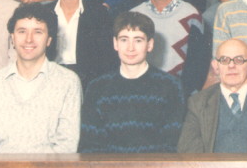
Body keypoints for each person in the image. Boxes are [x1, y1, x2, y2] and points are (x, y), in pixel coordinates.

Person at [0, 3, 82, 153]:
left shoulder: (68, 82)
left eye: (38, 32)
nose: (29, 39)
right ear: (12, 38)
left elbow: (67, 145)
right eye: (22, 31)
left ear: (49, 40)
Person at [79, 12, 186, 153]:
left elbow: (171, 144)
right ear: (115, 43)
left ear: (150, 45)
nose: (130, 48)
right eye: (124, 40)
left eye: (138, 40)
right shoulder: (97, 87)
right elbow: (90, 145)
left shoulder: (170, 86)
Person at [178, 39, 247, 153]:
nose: (231, 65)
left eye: (239, 60)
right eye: (224, 60)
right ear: (216, 66)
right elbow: (188, 151)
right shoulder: (198, 103)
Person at [132, 0, 210, 97]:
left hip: (180, 96)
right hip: (141, 96)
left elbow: (198, 67)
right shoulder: (134, 17)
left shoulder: (192, 16)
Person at [48, 0, 116, 88]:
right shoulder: (45, 13)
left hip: (87, 81)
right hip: (51, 79)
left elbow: (106, 59)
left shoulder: (98, 13)